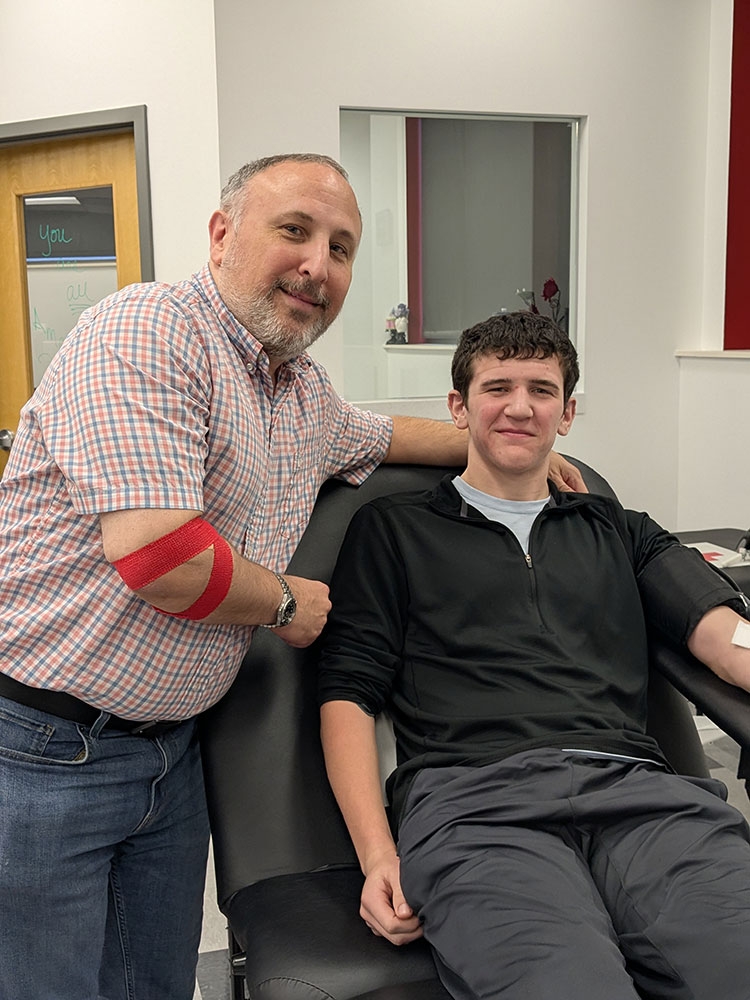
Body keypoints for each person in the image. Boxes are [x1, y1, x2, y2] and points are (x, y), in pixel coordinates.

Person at [0, 153, 585, 1000]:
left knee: (155, 986)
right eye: (295, 231)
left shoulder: (298, 389)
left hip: (169, 755)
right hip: (46, 751)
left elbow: (385, 436)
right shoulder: (147, 332)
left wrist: (509, 434)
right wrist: (284, 603)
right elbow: (160, 557)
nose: (319, 264)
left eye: (342, 247)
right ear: (222, 234)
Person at [318, 311, 750, 1000]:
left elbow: (727, 640)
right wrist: (378, 856)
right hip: (474, 807)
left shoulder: (618, 529)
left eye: (542, 390)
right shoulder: (392, 531)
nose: (520, 407)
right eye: (498, 387)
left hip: (642, 798)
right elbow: (347, 693)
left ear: (567, 413)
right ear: (459, 406)